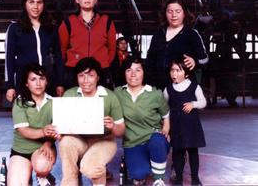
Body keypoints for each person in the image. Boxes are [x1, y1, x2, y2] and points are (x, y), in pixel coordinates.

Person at [58, 57, 125, 186]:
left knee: (90, 167)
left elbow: (121, 130)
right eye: (81, 76)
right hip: (79, 139)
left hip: (104, 140)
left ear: (98, 77)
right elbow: (62, 125)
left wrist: (113, 126)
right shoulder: (69, 94)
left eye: (90, 75)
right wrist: (58, 132)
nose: (86, 81)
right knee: (65, 141)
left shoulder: (109, 96)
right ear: (76, 78)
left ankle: (99, 176)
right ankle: (70, 180)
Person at [114, 56, 170, 186]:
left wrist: (165, 131)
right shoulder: (118, 93)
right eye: (129, 70)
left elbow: (166, 115)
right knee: (139, 176)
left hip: (154, 141)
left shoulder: (154, 93)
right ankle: (145, 164)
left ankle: (158, 180)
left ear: (144, 72)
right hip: (133, 143)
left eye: (138, 70)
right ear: (124, 73)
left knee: (158, 140)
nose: (133, 74)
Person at [5, 0, 65, 102]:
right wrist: (10, 86)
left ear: (44, 4)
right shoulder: (14, 28)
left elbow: (58, 57)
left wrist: (60, 83)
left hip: (48, 81)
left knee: (48, 118)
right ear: (24, 4)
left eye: (39, 2)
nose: (35, 7)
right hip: (24, 83)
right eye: (31, 2)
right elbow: (9, 59)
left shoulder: (51, 28)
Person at [7, 63, 61, 186]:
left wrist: (48, 143)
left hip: (43, 148)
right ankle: (24, 172)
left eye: (42, 79)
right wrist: (43, 132)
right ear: (26, 83)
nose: (38, 83)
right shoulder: (19, 102)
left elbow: (58, 130)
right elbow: (24, 131)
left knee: (41, 166)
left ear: (46, 81)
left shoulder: (54, 103)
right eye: (33, 79)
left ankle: (43, 175)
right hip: (21, 150)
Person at [58, 0, 116, 90]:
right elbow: (61, 51)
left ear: (95, 0)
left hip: (101, 71)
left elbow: (112, 50)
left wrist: (103, 62)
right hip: (74, 72)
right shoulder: (68, 22)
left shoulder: (106, 21)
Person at [146, 0, 208, 92]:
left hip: (182, 90)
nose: (173, 15)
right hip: (158, 88)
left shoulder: (191, 34)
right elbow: (150, 60)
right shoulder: (158, 34)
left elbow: (204, 59)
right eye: (170, 12)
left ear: (184, 14)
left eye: (178, 12)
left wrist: (194, 61)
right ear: (165, 14)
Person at [163, 57, 206, 186]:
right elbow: (164, 108)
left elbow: (204, 102)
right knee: (177, 154)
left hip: (192, 127)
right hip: (177, 127)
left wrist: (194, 104)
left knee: (193, 153)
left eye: (178, 70)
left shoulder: (194, 87)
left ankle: (195, 179)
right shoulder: (168, 89)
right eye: (172, 70)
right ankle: (178, 179)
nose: (174, 74)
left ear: (187, 73)